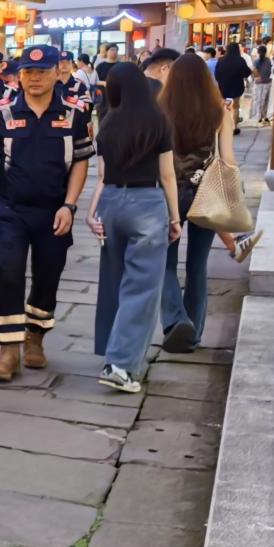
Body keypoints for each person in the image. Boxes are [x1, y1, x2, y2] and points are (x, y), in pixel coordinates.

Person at [0, 45, 93, 382]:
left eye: (42, 72)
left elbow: (82, 161)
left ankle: (36, 338)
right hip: (10, 208)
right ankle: (9, 348)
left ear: (58, 72)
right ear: (19, 75)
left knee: (48, 274)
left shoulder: (75, 112)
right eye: (28, 72)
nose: (35, 78)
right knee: (8, 267)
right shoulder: (1, 113)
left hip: (54, 210)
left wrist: (69, 205)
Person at [87, 63, 181, 392]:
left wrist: (92, 211)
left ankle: (109, 352)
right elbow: (167, 175)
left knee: (112, 282)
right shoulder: (158, 121)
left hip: (112, 203)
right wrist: (174, 216)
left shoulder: (107, 122)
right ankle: (122, 364)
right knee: (141, 287)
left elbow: (101, 174)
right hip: (147, 204)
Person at [153, 53, 237, 354]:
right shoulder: (219, 112)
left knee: (164, 263)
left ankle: (176, 321)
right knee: (197, 264)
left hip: (168, 194)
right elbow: (227, 159)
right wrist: (232, 194)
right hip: (206, 194)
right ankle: (195, 330)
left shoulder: (161, 109)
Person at [214, 43, 251, 135]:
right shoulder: (240, 60)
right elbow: (246, 72)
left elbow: (217, 74)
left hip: (224, 86)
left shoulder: (221, 60)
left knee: (224, 106)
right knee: (236, 106)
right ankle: (234, 127)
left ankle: (223, 126)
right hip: (237, 86)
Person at [250, 45, 273, 125]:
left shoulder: (256, 61)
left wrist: (258, 76)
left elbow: (252, 69)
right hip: (267, 82)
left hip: (258, 83)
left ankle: (258, 116)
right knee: (266, 100)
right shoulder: (268, 60)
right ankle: (264, 116)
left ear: (258, 52)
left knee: (258, 100)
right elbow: (270, 71)